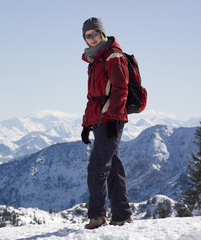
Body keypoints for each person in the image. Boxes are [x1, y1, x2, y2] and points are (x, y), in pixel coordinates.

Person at [80, 17, 132, 229]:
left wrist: (114, 116)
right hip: (100, 118)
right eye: (87, 35)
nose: (91, 38)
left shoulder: (113, 56)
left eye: (94, 34)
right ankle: (122, 214)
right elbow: (93, 96)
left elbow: (121, 88)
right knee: (112, 167)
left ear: (102, 33)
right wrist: (86, 124)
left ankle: (97, 216)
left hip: (111, 117)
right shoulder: (96, 59)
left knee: (97, 166)